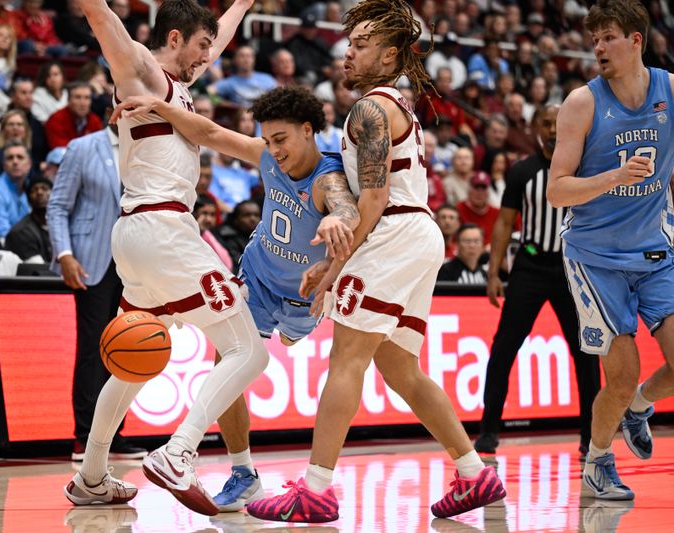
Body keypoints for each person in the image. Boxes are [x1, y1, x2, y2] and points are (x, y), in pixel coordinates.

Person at [246, 0, 506, 522]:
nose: (349, 52)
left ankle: (316, 489)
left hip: (393, 232)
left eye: (362, 44)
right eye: (351, 42)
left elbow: (373, 200)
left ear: (389, 57)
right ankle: (475, 471)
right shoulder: (394, 105)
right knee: (400, 368)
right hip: (419, 232)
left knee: (346, 359)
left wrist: (335, 265)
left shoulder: (368, 110)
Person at [111, 84, 357, 512]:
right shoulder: (267, 157)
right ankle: (243, 473)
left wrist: (339, 217)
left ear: (307, 130)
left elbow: (346, 207)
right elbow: (209, 133)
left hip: (304, 295)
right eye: (267, 140)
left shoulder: (328, 178)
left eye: (281, 139)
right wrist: (159, 106)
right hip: (259, 278)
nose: (273, 150)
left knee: (292, 342)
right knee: (229, 357)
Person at [65, 0, 269, 514]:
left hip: (138, 235)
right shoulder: (139, 67)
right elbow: (98, 15)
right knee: (249, 350)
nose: (209, 56)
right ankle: (179, 452)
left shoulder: (179, 87)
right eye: (200, 47)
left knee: (135, 362)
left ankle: (90, 476)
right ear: (174, 39)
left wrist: (242, 3)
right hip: (163, 230)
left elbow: (216, 36)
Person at [547, 0, 674, 501]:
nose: (597, 47)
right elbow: (557, 189)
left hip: (654, 250)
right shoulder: (582, 102)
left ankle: (640, 407)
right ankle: (598, 460)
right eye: (594, 38)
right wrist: (615, 177)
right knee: (620, 376)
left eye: (608, 37)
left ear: (636, 40)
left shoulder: (669, 91)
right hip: (595, 258)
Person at [476, 104, 601, 457]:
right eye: (544, 123)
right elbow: (503, 223)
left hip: (571, 269)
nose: (551, 128)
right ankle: (488, 432)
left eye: (555, 122)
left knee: (585, 353)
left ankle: (590, 436)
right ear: (534, 128)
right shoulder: (523, 171)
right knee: (503, 348)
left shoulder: (584, 168)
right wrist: (493, 272)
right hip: (529, 267)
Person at [46, 116, 145, 462]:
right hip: (92, 259)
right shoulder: (82, 147)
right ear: (115, 110)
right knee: (92, 347)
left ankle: (114, 433)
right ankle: (85, 436)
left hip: (133, 261)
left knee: (126, 348)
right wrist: (64, 254)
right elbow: (58, 206)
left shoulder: (146, 147)